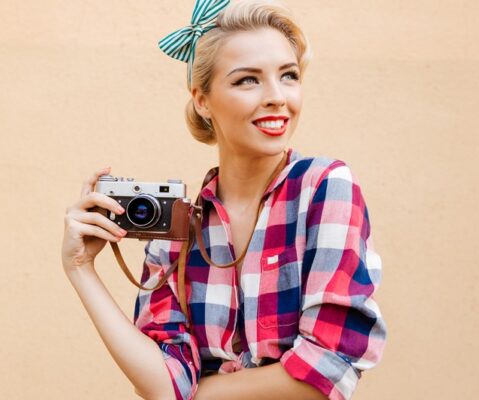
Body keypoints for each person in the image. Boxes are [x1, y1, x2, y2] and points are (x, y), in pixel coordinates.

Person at [60, 1, 386, 399]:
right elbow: (163, 385)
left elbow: (325, 372)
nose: (276, 97)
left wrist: (198, 395)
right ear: (202, 100)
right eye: (247, 80)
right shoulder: (176, 231)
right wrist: (80, 270)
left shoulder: (325, 187)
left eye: (289, 76)